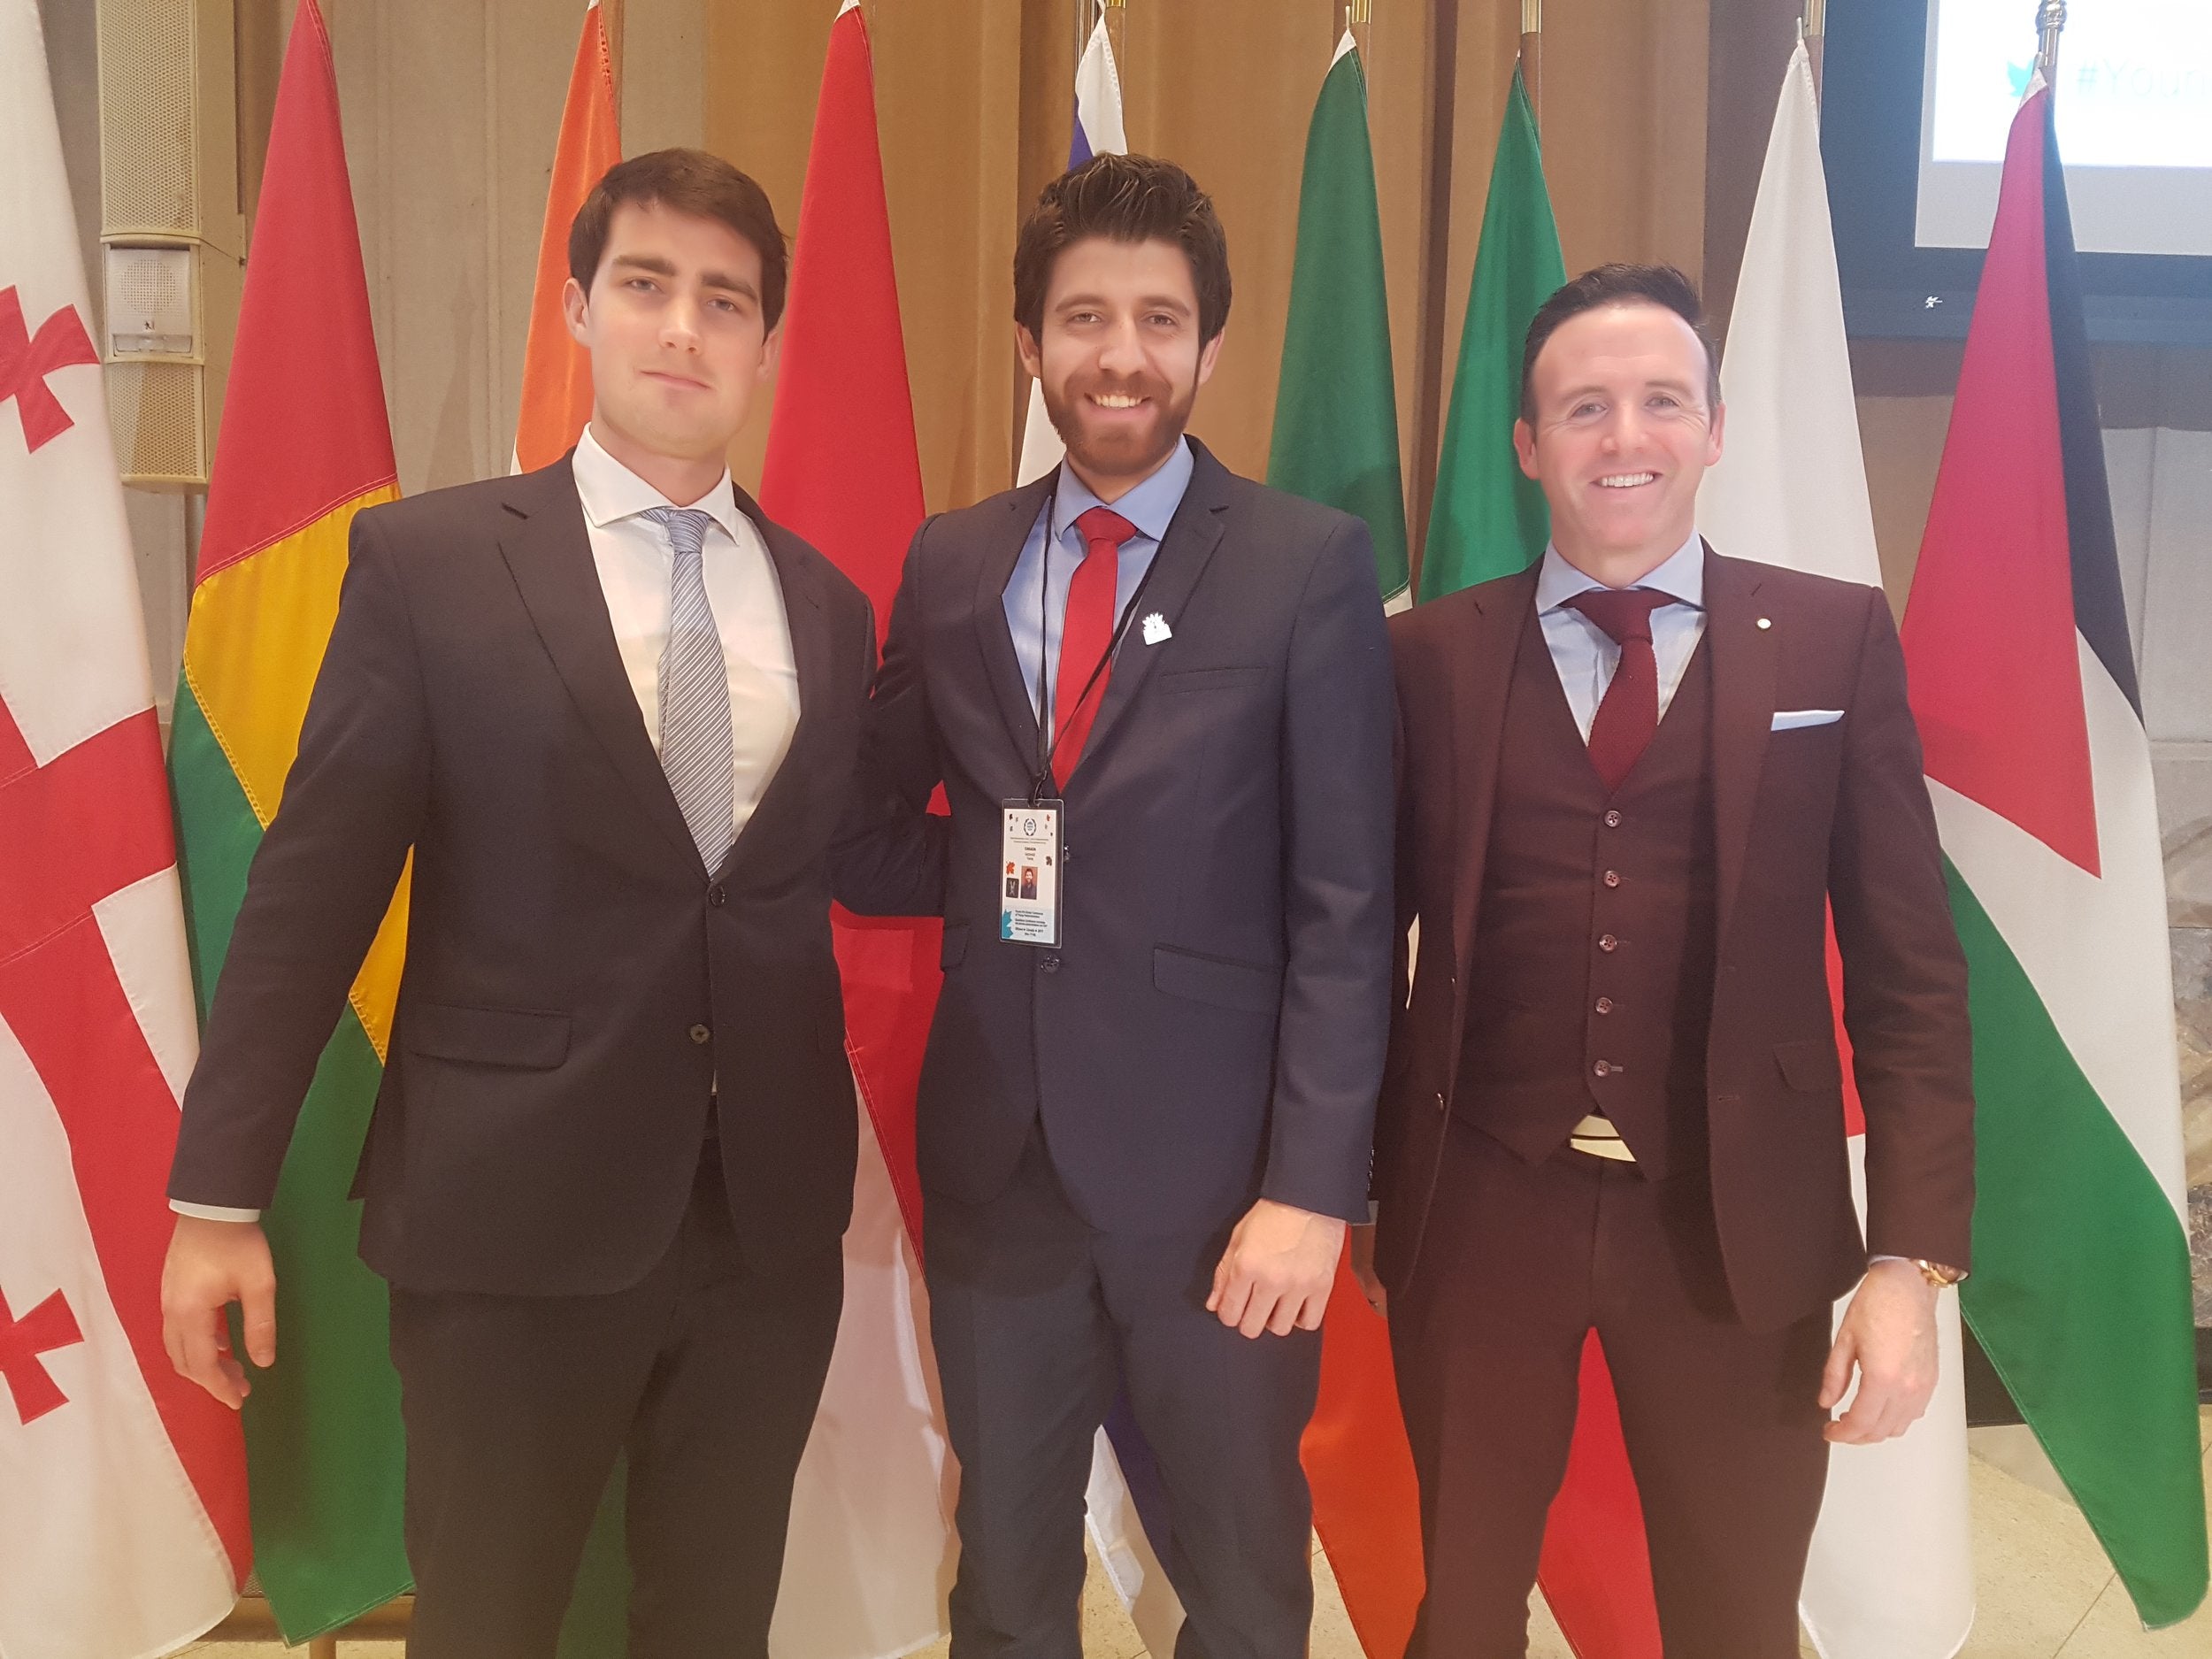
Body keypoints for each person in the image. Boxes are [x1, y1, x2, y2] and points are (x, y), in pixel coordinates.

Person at [159, 149, 883, 1659]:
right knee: (489, 1623)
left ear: (764, 340)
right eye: (646, 286)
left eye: (725, 301)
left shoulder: (825, 602)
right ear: (577, 311)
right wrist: (216, 1193)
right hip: (506, 1221)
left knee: (713, 1624)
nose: (685, 327)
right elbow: (311, 895)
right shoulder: (432, 567)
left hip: (763, 1234)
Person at [1364, 263, 1974, 1658]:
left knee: (1736, 1609)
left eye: (1659, 402)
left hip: (1735, 1224)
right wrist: (1343, 1182)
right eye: (1584, 407)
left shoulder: (1831, 637)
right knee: (1457, 1610)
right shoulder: (1424, 661)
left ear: (1714, 429)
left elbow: (1909, 972)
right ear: (1528, 445)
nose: (1622, 438)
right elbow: (1349, 948)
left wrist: (1909, 1263)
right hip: (1478, 1215)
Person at [838, 153, 1395, 1657]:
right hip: (1000, 1177)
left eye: (1160, 319)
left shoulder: (1304, 567)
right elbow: (879, 823)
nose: (1121, 356)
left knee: (1242, 1587)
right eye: (1083, 318)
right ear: (1031, 346)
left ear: (1212, 345)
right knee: (1006, 1587)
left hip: (1225, 1203)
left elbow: (1350, 905)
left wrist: (1312, 1191)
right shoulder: (953, 562)